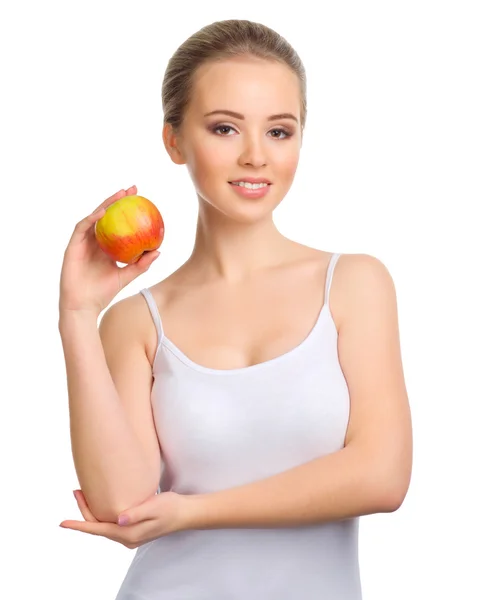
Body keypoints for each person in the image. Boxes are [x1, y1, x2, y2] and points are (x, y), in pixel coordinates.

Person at [58, 19, 412, 600]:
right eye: (224, 128)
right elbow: (121, 503)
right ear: (174, 141)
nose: (255, 157)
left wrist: (192, 512)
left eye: (279, 131)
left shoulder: (354, 284)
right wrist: (76, 314)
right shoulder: (134, 322)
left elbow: (382, 476)